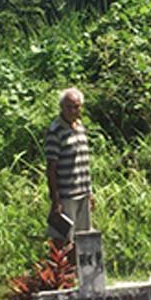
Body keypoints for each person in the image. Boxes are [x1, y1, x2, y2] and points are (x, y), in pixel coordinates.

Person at [45, 87, 95, 246]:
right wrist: (55, 199)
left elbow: (84, 163)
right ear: (62, 107)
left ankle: (78, 271)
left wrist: (90, 192)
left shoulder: (80, 127)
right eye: (69, 107)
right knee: (63, 240)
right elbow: (51, 168)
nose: (73, 110)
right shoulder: (56, 130)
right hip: (67, 196)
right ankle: (60, 271)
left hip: (83, 194)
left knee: (83, 239)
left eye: (77, 106)